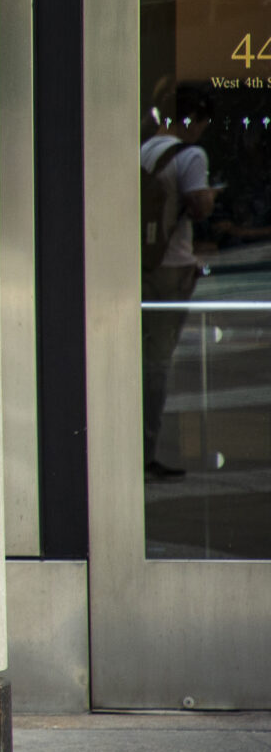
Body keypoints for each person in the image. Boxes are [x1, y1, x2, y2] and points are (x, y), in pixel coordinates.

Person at [141, 83, 221, 479]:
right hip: (171, 267)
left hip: (140, 264)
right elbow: (200, 205)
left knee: (139, 359)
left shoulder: (142, 150)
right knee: (156, 363)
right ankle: (147, 450)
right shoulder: (190, 155)